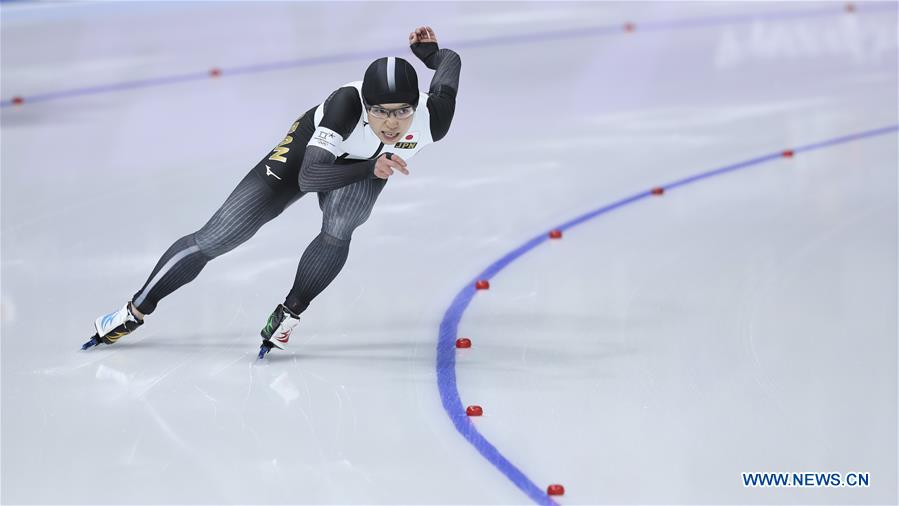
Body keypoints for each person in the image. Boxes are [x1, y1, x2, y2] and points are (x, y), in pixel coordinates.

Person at [82, 26, 461, 359]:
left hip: (367, 165)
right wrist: (368, 167)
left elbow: (450, 62)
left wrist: (430, 54)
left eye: (402, 111)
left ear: (417, 105)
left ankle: (290, 312)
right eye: (380, 111)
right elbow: (309, 177)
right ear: (365, 105)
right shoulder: (345, 104)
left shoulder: (434, 117)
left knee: (342, 224)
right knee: (218, 237)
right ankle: (134, 310)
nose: (392, 123)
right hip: (307, 156)